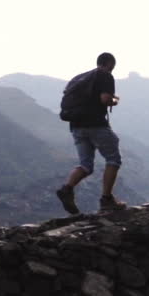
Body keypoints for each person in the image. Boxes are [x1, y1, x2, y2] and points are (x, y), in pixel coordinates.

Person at [56, 52, 126, 214]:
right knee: (113, 160)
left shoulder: (80, 78)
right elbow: (105, 100)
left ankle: (67, 189)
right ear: (110, 64)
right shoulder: (105, 75)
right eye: (113, 67)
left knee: (86, 165)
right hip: (95, 125)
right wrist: (114, 101)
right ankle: (107, 200)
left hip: (76, 126)